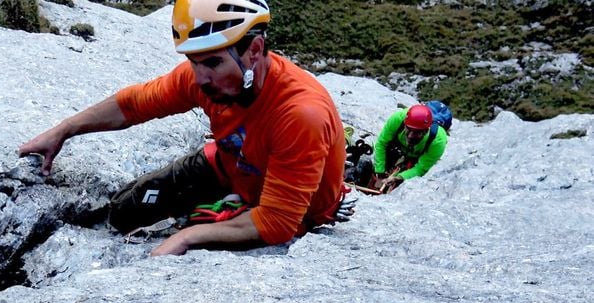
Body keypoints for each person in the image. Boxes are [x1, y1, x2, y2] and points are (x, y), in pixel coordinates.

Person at [18, 0, 347, 256]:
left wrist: (186, 237)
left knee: (187, 232)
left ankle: (213, 212)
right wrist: (65, 129)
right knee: (123, 210)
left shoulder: (300, 113)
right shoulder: (207, 80)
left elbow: (276, 223)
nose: (200, 78)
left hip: (292, 210)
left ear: (255, 50)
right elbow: (135, 104)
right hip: (233, 165)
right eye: (193, 61)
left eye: (213, 62)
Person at [369, 104, 448, 193]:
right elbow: (382, 143)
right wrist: (379, 171)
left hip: (417, 155)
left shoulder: (438, 141)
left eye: (416, 132)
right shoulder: (397, 119)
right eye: (409, 129)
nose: (410, 135)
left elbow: (420, 168)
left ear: (426, 131)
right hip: (397, 147)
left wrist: (399, 177)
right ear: (405, 124)